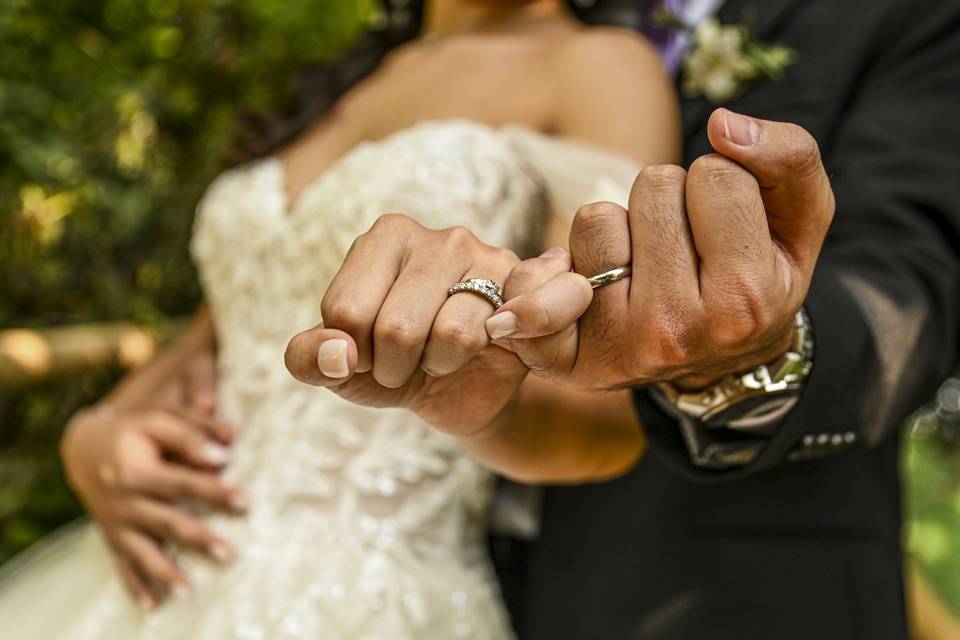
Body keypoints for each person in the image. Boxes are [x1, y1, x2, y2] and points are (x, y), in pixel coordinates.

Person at [0, 1, 678, 638]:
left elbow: (609, 421)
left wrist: (483, 410)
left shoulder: (599, 65)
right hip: (145, 567)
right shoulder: (349, 77)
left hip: (363, 590)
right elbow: (219, 337)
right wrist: (94, 436)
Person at [285, 0, 960, 638]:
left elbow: (907, 287)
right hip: (330, 552)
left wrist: (759, 353)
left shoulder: (905, 15)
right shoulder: (379, 67)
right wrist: (174, 410)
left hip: (715, 586)